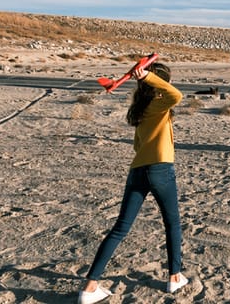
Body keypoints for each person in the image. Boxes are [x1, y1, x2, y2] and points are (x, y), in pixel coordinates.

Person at [77, 62, 189, 304]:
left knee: (120, 228)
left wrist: (147, 78)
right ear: (159, 82)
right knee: (172, 224)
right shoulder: (160, 103)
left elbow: (138, 146)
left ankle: (90, 286)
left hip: (138, 170)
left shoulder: (140, 108)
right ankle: (175, 277)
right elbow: (176, 95)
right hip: (160, 168)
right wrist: (149, 76)